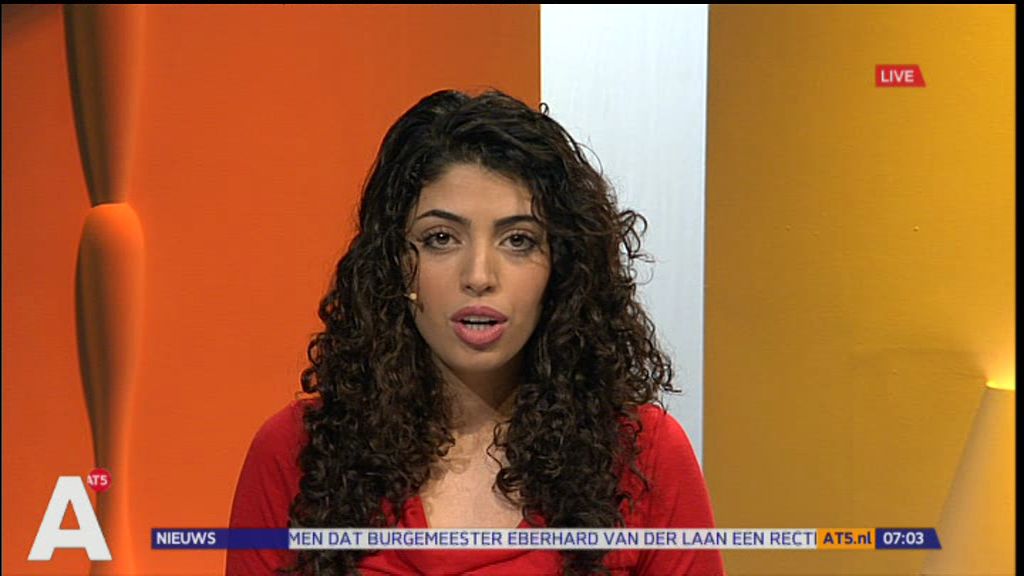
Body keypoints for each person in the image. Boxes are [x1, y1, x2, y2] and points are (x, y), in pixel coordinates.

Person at [227, 89, 724, 575]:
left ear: (562, 267)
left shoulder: (644, 456)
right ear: (395, 263)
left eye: (519, 240)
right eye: (441, 238)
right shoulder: (296, 454)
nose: (479, 275)